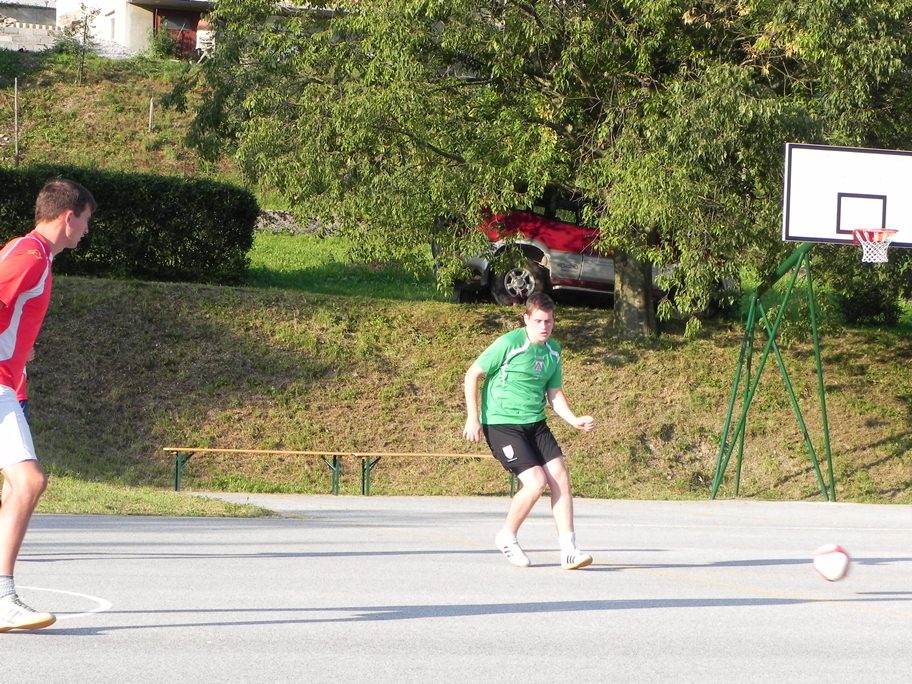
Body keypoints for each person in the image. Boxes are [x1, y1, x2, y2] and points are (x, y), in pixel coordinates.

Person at [0, 178, 95, 631]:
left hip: (6, 380)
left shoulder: (28, 251)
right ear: (68, 216)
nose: (87, 231)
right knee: (28, 482)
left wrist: (21, 347)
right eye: (87, 221)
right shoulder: (31, 257)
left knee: (22, 485)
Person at [463, 292, 595, 569]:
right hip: (502, 424)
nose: (544, 326)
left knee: (560, 476)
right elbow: (472, 374)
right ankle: (507, 536)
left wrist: (573, 419)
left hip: (535, 422)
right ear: (526, 319)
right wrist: (473, 418)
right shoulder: (509, 344)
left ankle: (569, 550)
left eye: (549, 321)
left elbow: (554, 392)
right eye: (538, 321)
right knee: (536, 482)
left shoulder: (553, 351)